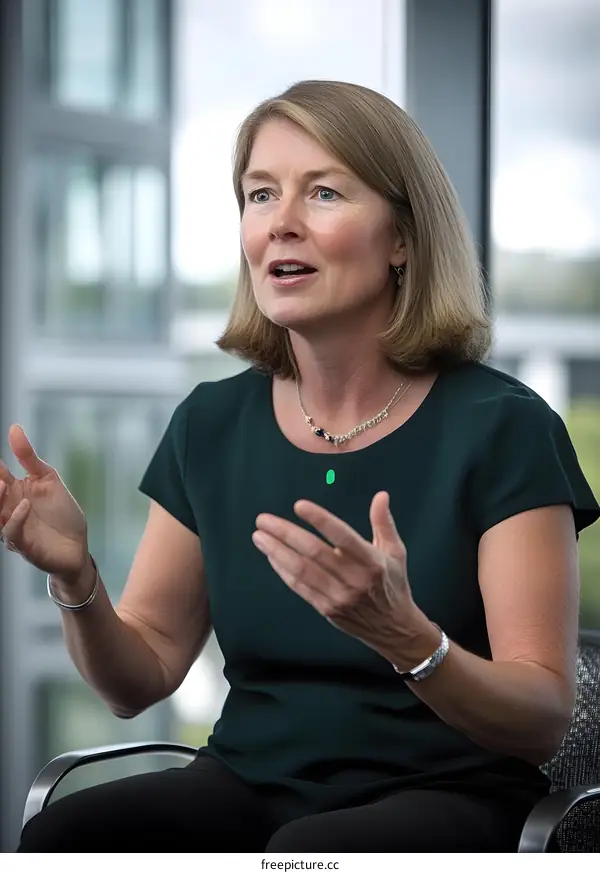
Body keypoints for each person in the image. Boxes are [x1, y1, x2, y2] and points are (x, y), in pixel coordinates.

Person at [5, 79, 599, 853]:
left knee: (310, 853)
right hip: (245, 784)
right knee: (67, 832)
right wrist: (77, 581)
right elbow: (138, 677)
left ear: (402, 239)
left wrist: (409, 638)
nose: (280, 222)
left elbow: (543, 714)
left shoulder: (506, 427)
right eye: (259, 194)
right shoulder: (211, 424)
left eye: (322, 192)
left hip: (446, 797)